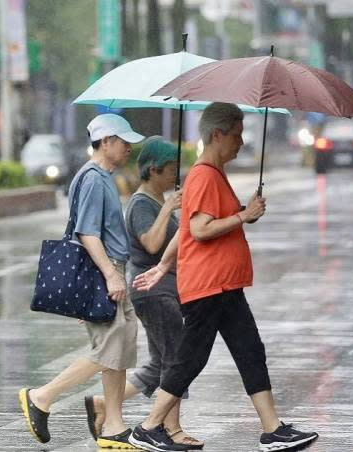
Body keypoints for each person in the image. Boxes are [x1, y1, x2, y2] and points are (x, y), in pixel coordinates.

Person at [127, 103, 319, 452]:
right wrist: (244, 216)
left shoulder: (213, 174)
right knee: (191, 358)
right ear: (217, 134)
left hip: (224, 284)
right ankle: (148, 426)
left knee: (250, 351)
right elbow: (200, 230)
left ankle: (272, 429)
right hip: (208, 284)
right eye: (236, 134)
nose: (241, 141)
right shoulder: (203, 174)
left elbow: (185, 229)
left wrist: (165, 265)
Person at [19, 113, 143, 449]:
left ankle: (114, 425)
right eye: (124, 141)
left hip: (110, 270)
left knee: (118, 347)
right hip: (106, 270)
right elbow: (86, 232)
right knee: (107, 350)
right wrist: (110, 276)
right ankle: (42, 397)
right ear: (106, 142)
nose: (129, 147)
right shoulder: (91, 178)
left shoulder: (103, 176)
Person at [85, 136, 203, 449]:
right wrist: (168, 209)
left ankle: (102, 404)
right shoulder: (141, 204)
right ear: (153, 170)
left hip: (165, 290)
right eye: (170, 171)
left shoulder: (156, 202)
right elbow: (151, 243)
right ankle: (170, 428)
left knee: (158, 363)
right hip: (154, 292)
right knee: (176, 360)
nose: (175, 177)